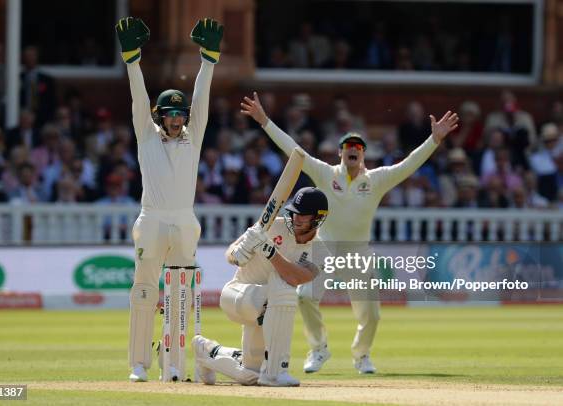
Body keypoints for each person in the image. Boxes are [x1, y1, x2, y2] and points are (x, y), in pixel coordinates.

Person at [240, 92, 458, 374]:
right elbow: (295, 151)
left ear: (363, 153)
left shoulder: (377, 179)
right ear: (340, 152)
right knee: (305, 297)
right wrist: (265, 121)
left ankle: (361, 355)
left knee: (372, 315)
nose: (352, 149)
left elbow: (408, 166)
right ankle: (318, 349)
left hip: (358, 253)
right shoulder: (326, 174)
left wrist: (435, 140)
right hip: (324, 249)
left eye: (357, 146)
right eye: (347, 146)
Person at [114, 16, 224, 382]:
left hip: (184, 221)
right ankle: (138, 364)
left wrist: (208, 60)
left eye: (181, 114)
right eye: (170, 114)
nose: (177, 120)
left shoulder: (194, 136)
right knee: (144, 291)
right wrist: (133, 61)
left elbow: (203, 97)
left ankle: (173, 363)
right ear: (159, 116)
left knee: (181, 297)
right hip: (152, 220)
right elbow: (138, 99)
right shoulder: (146, 134)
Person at [193, 187, 328, 386]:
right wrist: (238, 253)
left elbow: (296, 277)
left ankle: (207, 352)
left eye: (304, 215)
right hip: (238, 294)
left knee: (250, 375)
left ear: (318, 218)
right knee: (282, 290)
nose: (297, 218)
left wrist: (270, 251)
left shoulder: (321, 252)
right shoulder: (274, 225)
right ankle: (276, 371)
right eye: (295, 212)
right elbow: (230, 252)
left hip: (267, 311)